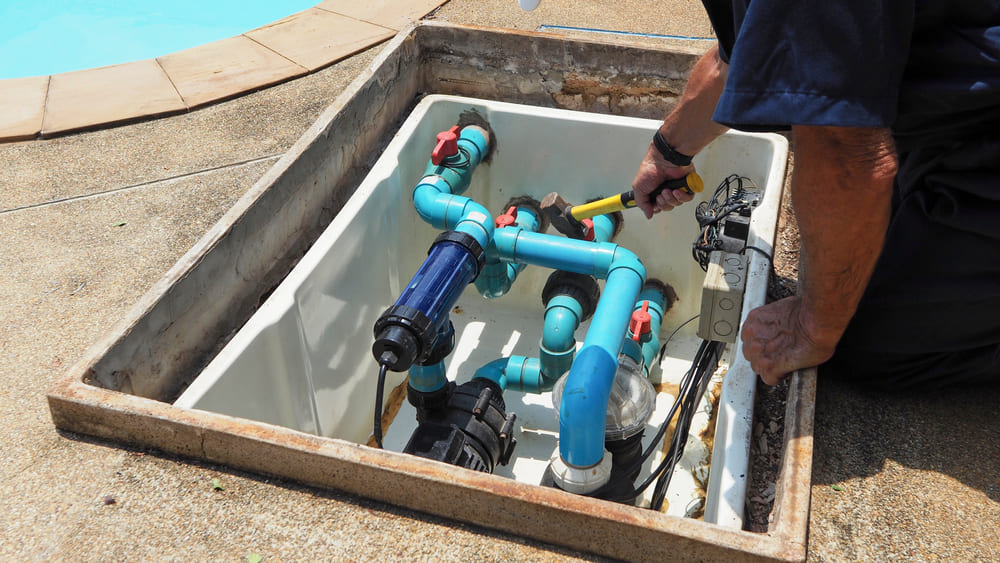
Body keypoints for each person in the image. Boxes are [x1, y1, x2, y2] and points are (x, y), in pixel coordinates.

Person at [631, 1, 1000, 389]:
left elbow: (846, 154)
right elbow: (743, 55)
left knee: (859, 336)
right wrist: (667, 152)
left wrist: (812, 328)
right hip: (955, 121)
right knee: (853, 260)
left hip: (979, 138)